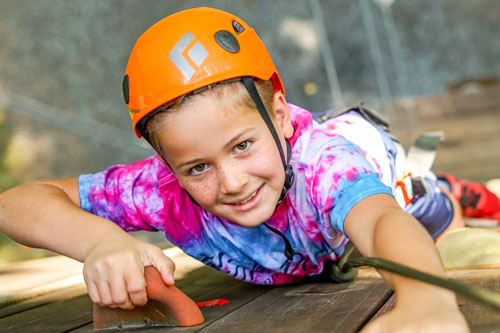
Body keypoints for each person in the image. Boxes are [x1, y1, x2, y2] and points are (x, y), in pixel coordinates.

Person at [4, 6, 500, 331]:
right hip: (305, 245)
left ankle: (456, 194)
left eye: (242, 145)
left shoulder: (322, 165)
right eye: (197, 167)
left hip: (390, 182)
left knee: (437, 216)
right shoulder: (162, 190)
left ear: (280, 117)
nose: (232, 183)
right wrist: (100, 241)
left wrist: (426, 301)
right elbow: (15, 204)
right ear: (166, 164)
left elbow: (379, 220)